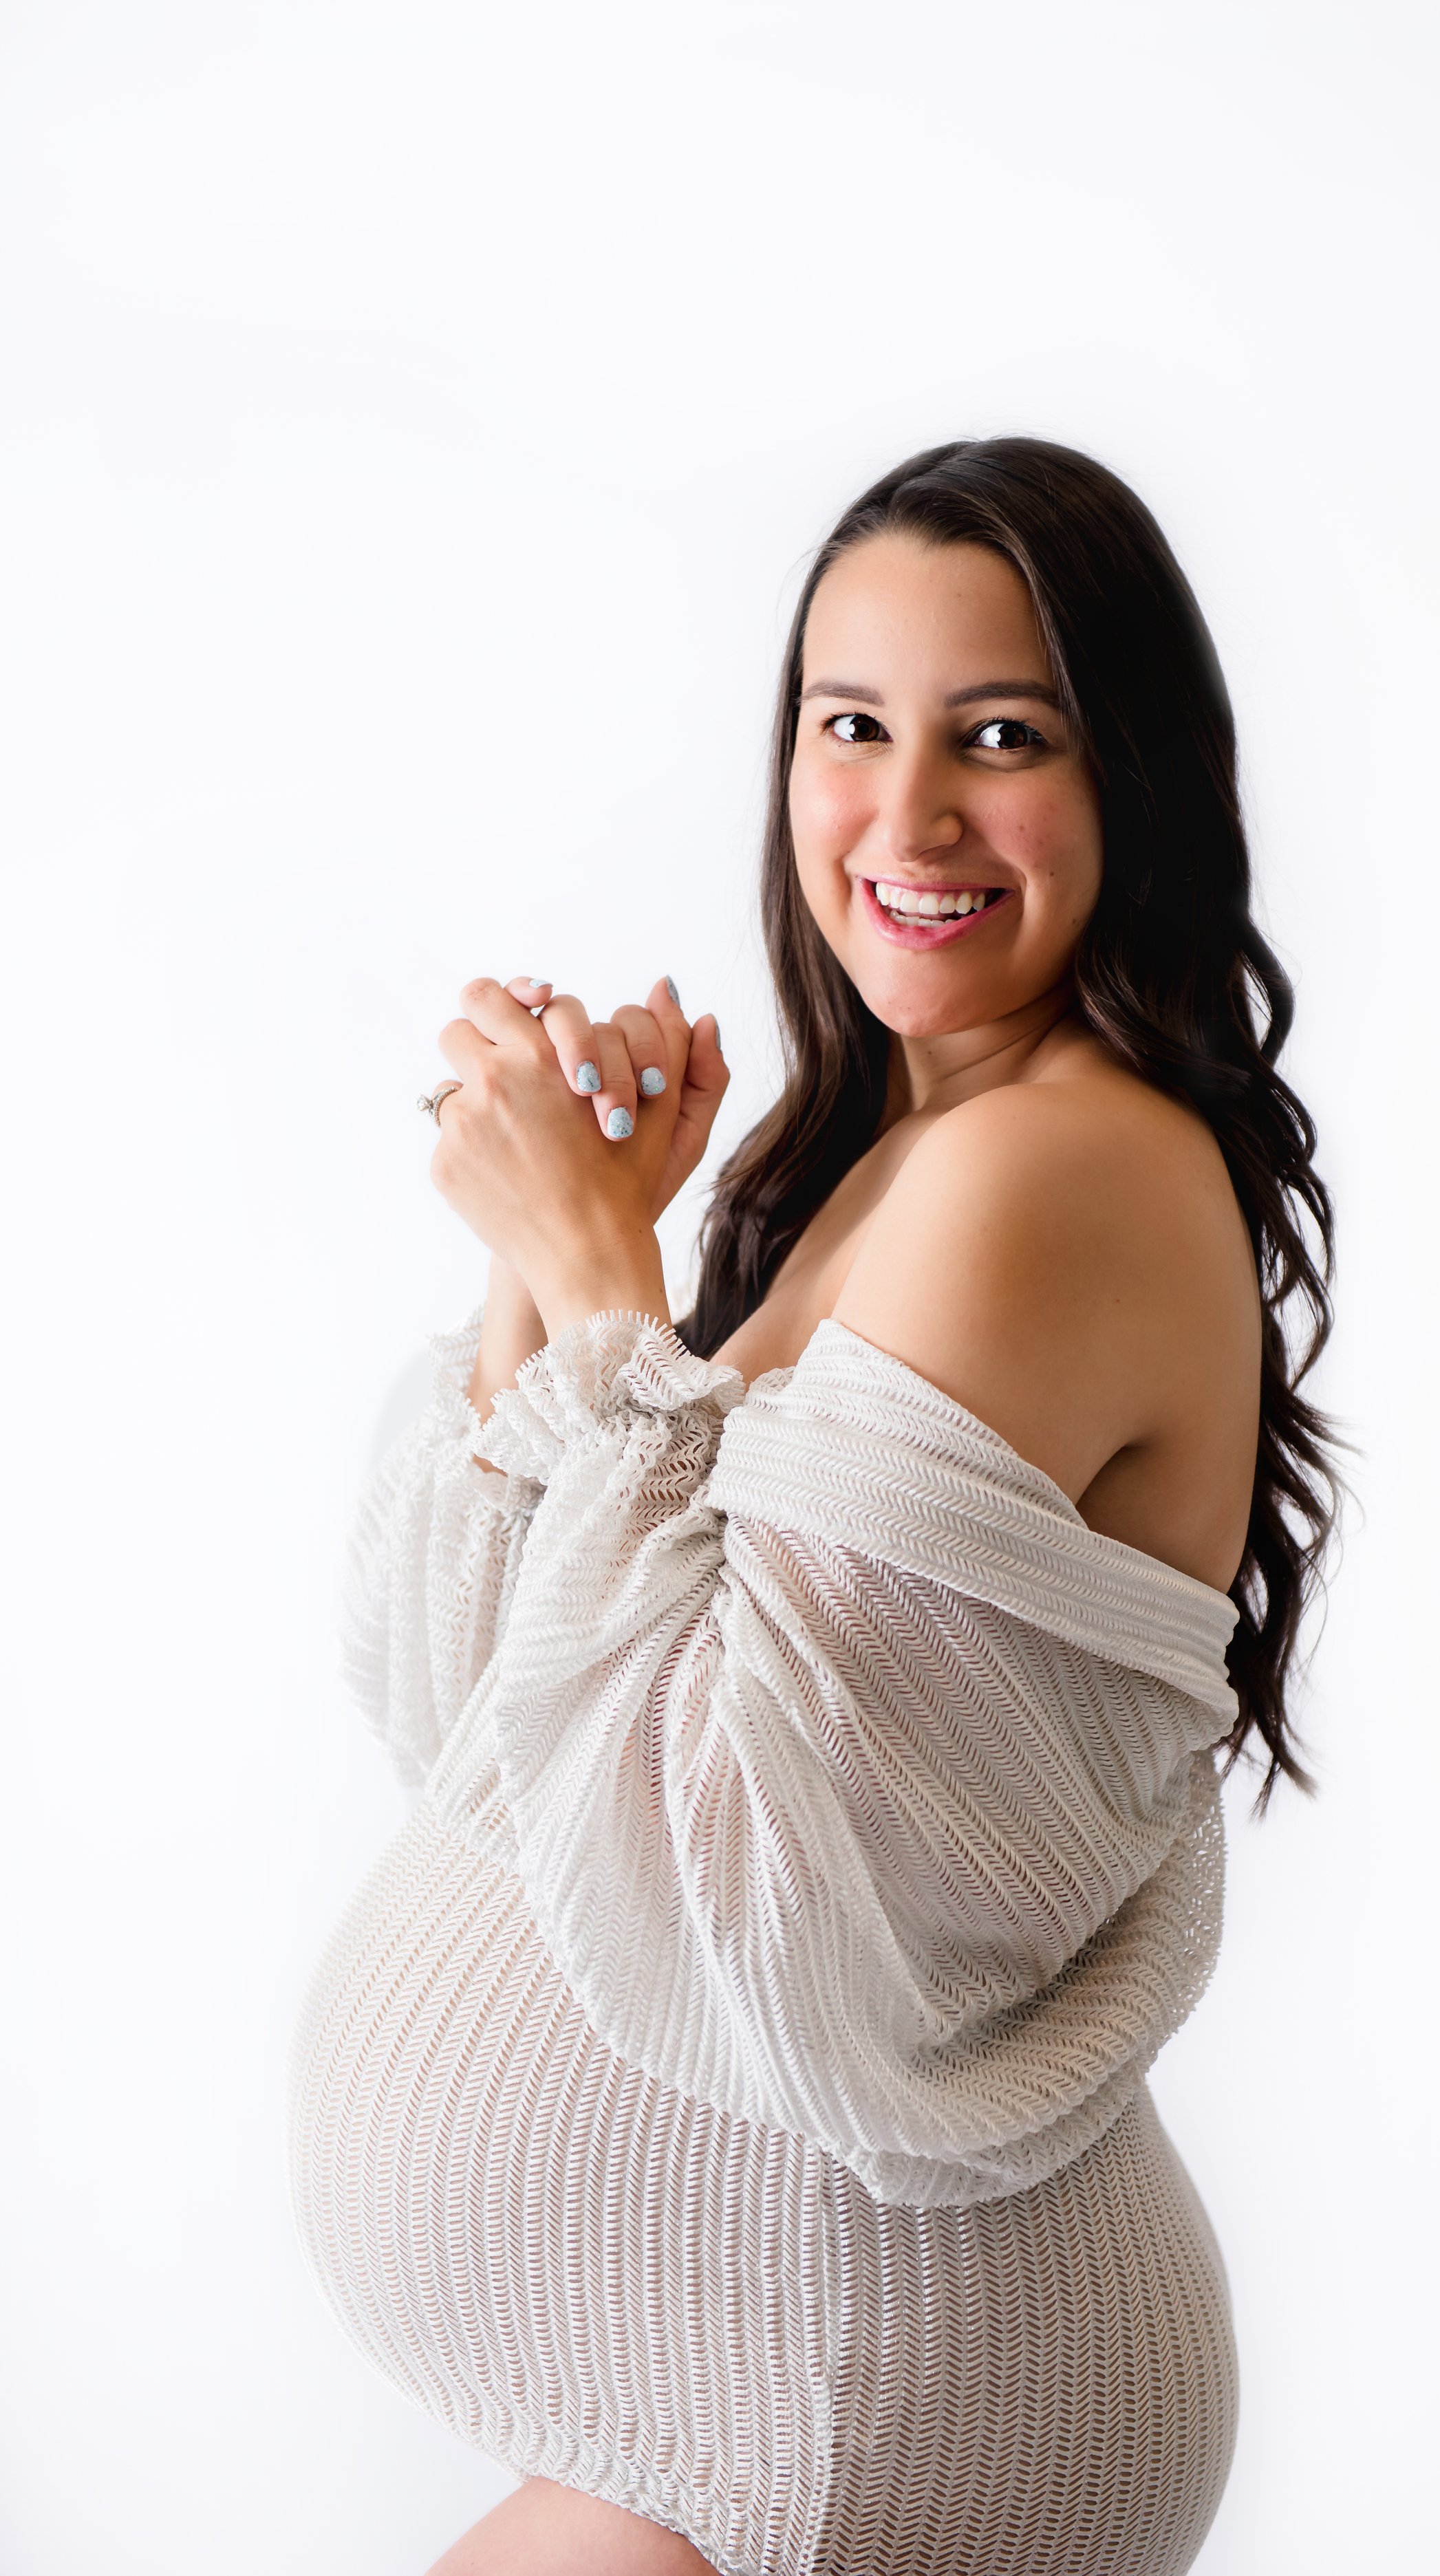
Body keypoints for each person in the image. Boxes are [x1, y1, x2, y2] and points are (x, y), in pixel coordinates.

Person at [291, 436, 1340, 2576]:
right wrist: (551, 1263)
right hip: (741, 2391)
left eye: (1003, 736)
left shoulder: (1055, 1166)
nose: (909, 812)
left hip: (845, 2389)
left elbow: (761, 1893)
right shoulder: (893, 1143)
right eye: (849, 725)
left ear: (1133, 775)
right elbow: (492, 1731)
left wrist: (606, 1299)